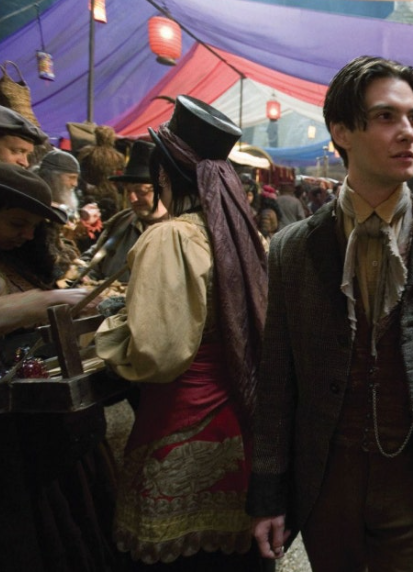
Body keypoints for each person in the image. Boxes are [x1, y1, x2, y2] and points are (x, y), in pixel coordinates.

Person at [247, 55, 413, 572]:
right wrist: (268, 491)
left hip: (412, 479)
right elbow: (276, 382)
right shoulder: (292, 249)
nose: (408, 132)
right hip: (327, 477)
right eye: (386, 117)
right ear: (342, 132)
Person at [95, 95, 268, 570]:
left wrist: (113, 329)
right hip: (237, 422)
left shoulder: (172, 236)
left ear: (165, 177)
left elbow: (157, 353)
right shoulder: (240, 233)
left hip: (180, 422)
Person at [0, 163, 120, 572]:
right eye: (17, 223)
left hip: (40, 425)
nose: (26, 235)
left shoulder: (17, 261)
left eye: (33, 227)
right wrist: (44, 301)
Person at [82, 140, 168, 283]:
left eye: (140, 191)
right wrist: (82, 273)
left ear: (163, 190)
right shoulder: (121, 222)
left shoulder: (183, 231)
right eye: (128, 191)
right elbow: (92, 262)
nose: (132, 198)